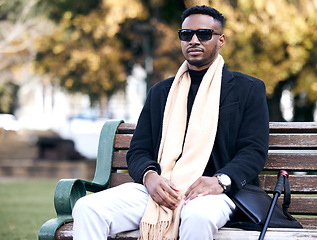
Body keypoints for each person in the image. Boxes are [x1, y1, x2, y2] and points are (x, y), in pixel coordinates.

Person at [72, 5, 269, 240]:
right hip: (161, 188)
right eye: (186, 35)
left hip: (216, 193)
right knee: (88, 208)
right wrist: (150, 178)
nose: (194, 40)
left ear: (221, 40)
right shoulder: (161, 92)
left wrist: (220, 181)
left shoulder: (247, 89)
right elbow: (139, 150)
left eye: (204, 34)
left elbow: (253, 150)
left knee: (198, 216)